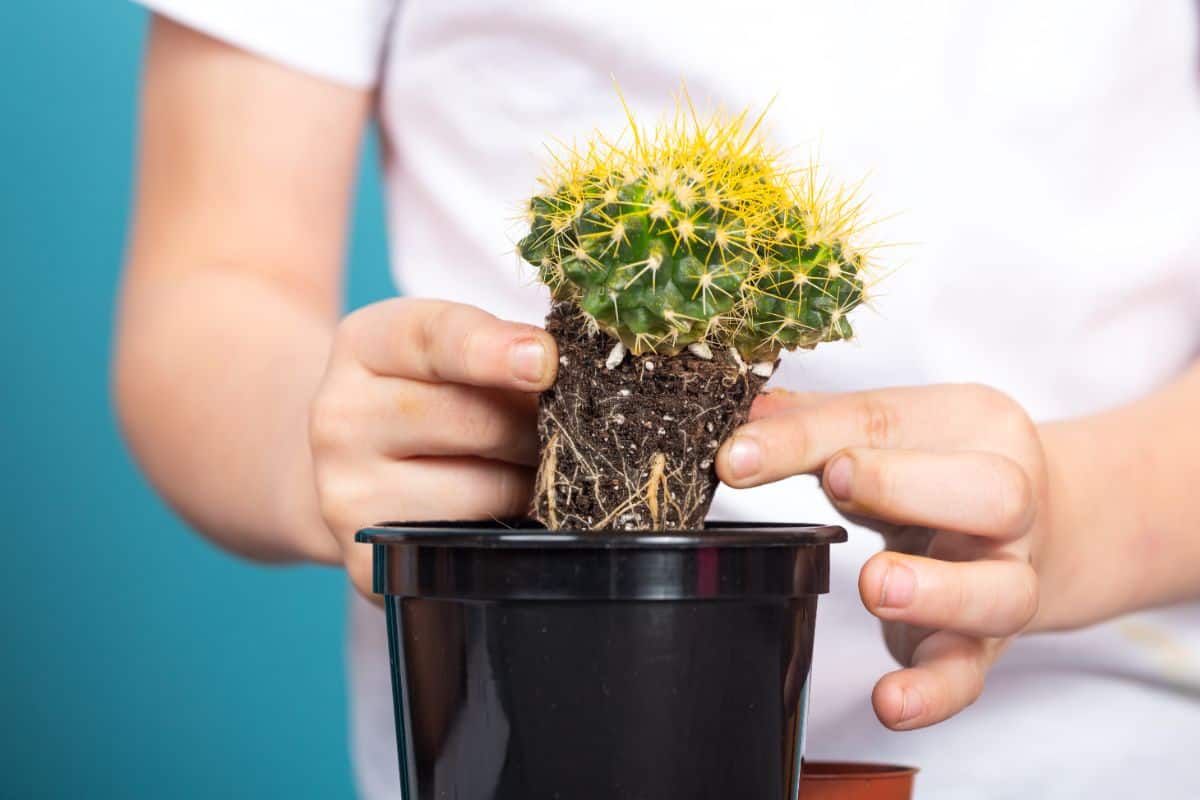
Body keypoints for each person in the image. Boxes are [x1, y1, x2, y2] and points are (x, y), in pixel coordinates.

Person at [114, 2, 1200, 797]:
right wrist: (314, 453)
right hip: (527, 726)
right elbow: (214, 278)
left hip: (1106, 732)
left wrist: (1082, 510)